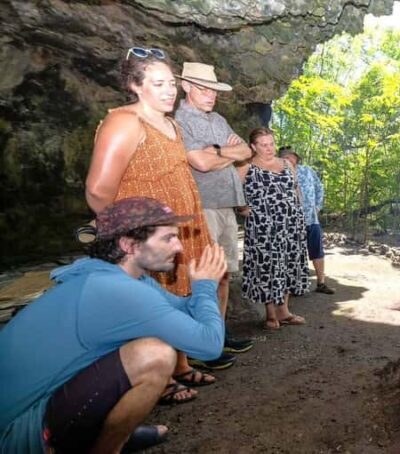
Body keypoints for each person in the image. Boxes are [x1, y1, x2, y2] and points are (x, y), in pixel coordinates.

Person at [0, 197, 226, 453]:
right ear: (129, 245)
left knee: (143, 343)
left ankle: (105, 431)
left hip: (47, 401)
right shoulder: (117, 291)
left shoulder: (121, 278)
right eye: (168, 238)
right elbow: (209, 346)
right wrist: (205, 287)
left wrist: (200, 290)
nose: (178, 247)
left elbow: (182, 312)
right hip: (17, 433)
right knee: (155, 355)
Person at [85, 47, 218, 398]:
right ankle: (156, 377)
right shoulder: (124, 122)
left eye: (172, 83)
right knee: (150, 300)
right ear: (134, 85)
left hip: (178, 228)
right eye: (158, 83)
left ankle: (181, 364)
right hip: (144, 235)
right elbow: (98, 192)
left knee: (180, 290)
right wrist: (131, 235)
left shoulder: (171, 123)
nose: (169, 90)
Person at [175, 61, 255, 369]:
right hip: (202, 206)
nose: (211, 96)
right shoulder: (181, 120)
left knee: (223, 274)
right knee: (202, 275)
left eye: (214, 90)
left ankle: (216, 334)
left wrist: (216, 151)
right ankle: (198, 345)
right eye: (203, 89)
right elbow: (200, 163)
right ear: (186, 87)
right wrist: (224, 153)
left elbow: (246, 151)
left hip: (226, 205)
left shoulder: (218, 119)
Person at [239, 128, 309, 330]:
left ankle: (284, 311)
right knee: (267, 267)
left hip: (291, 224)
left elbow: (296, 189)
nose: (269, 148)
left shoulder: (287, 163)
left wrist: (300, 214)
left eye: (271, 143)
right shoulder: (247, 166)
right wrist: (243, 208)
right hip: (264, 227)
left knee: (288, 264)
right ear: (253, 146)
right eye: (263, 145)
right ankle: (270, 314)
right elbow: (232, 189)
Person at [279, 146, 335, 294]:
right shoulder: (277, 173)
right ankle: (293, 286)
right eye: (285, 157)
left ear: (296, 158)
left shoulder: (308, 171)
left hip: (311, 218)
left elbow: (319, 187)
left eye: (291, 156)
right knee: (292, 253)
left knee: (317, 250)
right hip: (290, 221)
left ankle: (321, 283)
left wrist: (318, 206)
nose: (289, 159)